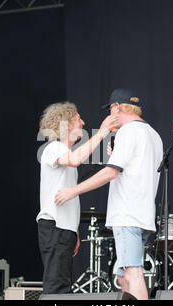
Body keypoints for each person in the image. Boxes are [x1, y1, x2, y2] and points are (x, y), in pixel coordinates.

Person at [55, 88, 163, 300]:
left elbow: (111, 172)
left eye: (110, 109)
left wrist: (73, 191)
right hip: (143, 214)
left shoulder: (128, 132)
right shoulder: (153, 134)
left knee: (133, 273)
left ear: (117, 108)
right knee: (123, 276)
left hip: (127, 214)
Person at [36, 101, 116, 294]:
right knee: (57, 288)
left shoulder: (64, 153)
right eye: (78, 119)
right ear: (66, 124)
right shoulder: (53, 148)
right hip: (55, 227)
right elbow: (74, 160)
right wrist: (102, 132)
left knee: (62, 287)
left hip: (64, 230)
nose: (83, 122)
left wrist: (75, 233)